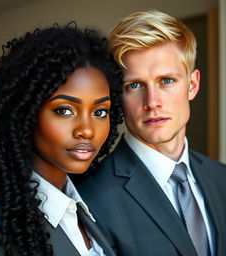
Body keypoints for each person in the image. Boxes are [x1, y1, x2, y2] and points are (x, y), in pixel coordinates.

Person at [77, 10, 226, 256]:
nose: (152, 101)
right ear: (117, 96)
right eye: (134, 85)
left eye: (166, 81)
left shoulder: (221, 177)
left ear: (192, 85)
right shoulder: (89, 198)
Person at [0, 24, 123, 256]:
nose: (88, 130)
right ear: (24, 112)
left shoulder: (91, 206)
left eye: (100, 112)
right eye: (64, 110)